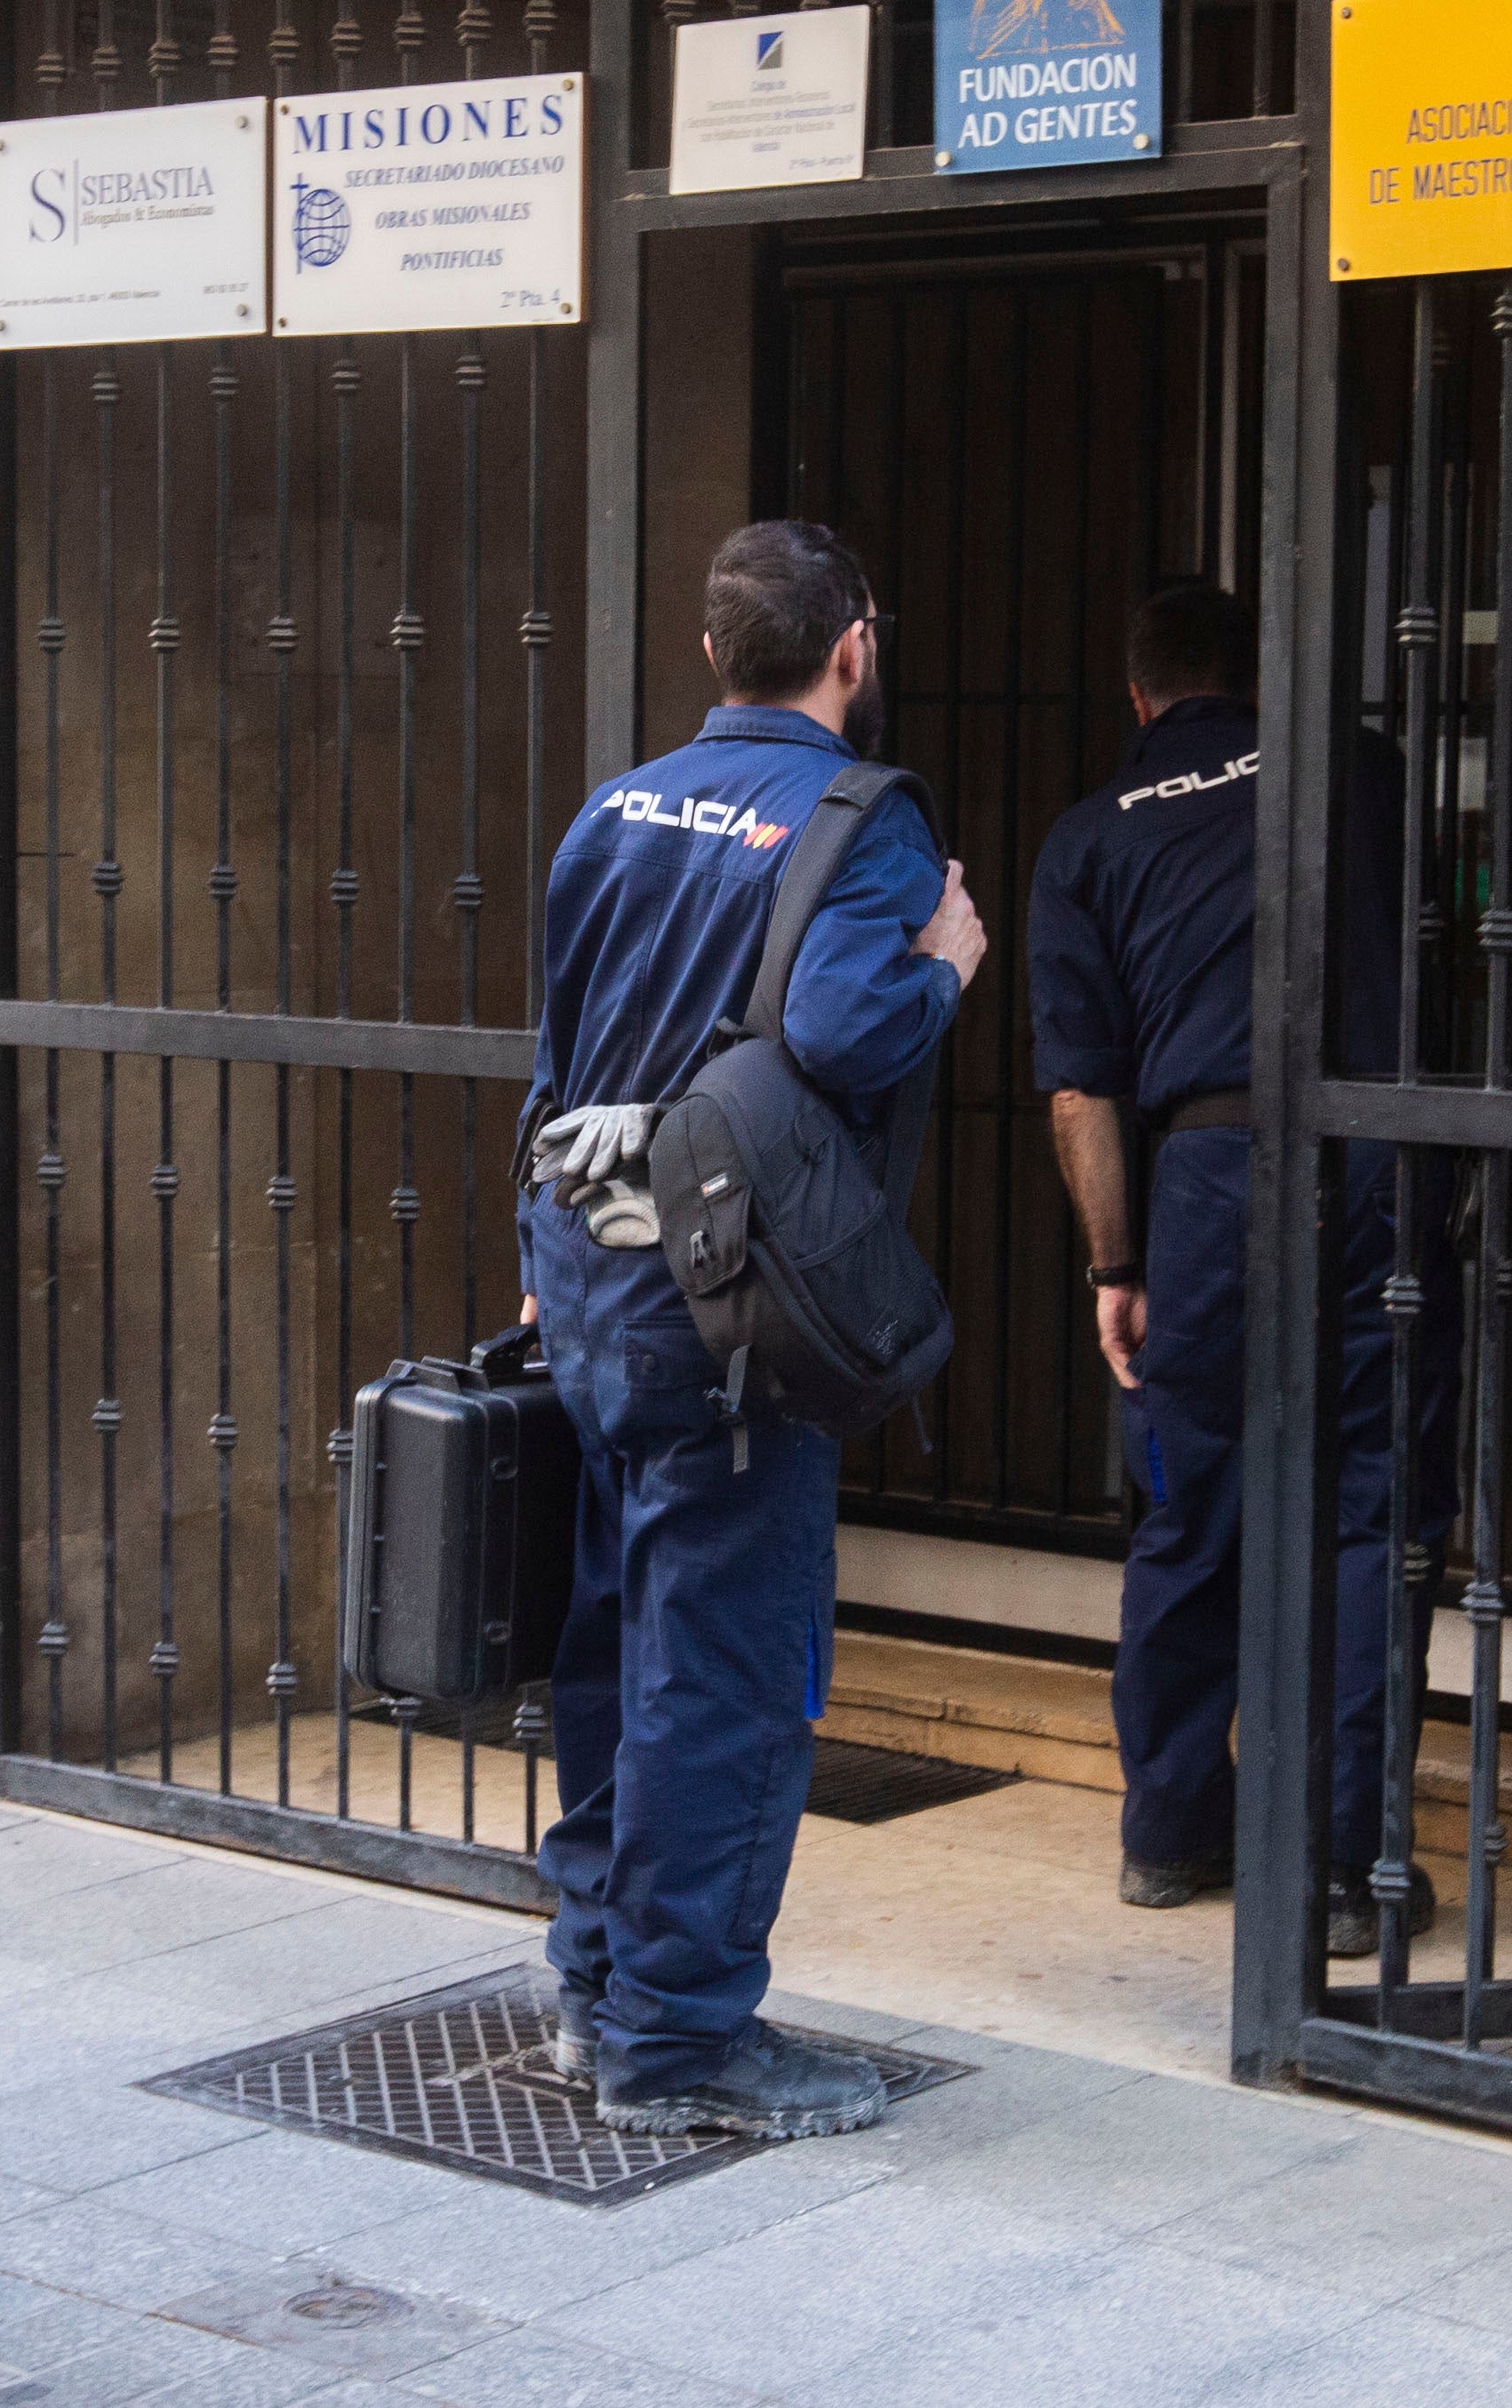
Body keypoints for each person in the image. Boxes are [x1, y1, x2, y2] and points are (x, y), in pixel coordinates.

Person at [519, 520, 985, 2138]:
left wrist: (538, 1263)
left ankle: (593, 1983)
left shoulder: (616, 804)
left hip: (589, 1287)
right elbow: (849, 1031)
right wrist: (947, 965)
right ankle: (683, 2035)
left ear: (716, 651)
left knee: (609, 1644)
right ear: (854, 646)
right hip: (729, 1316)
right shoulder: (866, 820)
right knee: (720, 1671)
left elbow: (563, 1047)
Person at [1025, 579, 1450, 1958]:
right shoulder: (1362, 776)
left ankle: (1169, 1830)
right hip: (1378, 1161)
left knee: (1192, 1507)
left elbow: (1081, 1094)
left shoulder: (1090, 841)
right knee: (1367, 1518)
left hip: (1205, 1186)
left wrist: (1119, 1263)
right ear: (1258, 686)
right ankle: (1340, 1868)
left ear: (1140, 697)